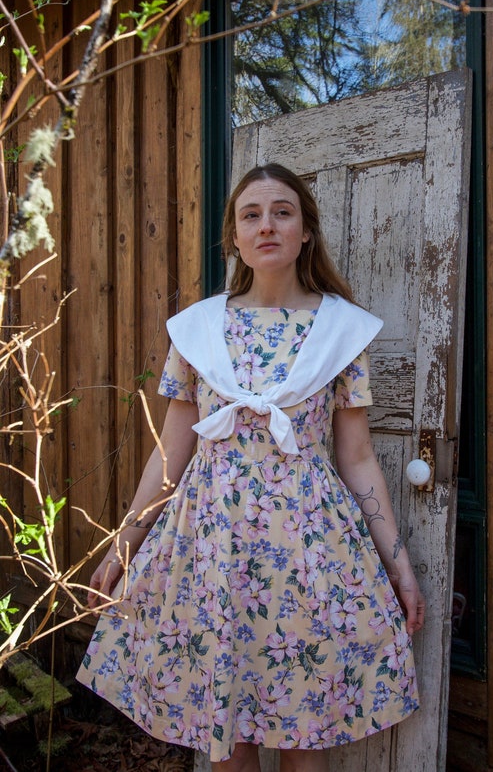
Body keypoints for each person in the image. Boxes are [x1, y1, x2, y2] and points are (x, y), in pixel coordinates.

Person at [77, 163, 425, 772]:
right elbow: (170, 453)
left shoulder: (343, 331)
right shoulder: (198, 331)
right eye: (251, 215)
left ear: (305, 232)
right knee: (227, 739)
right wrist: (124, 544)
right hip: (210, 548)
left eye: (282, 212)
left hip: (308, 552)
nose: (267, 225)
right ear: (233, 237)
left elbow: (358, 457)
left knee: (303, 733)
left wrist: (398, 564)